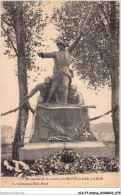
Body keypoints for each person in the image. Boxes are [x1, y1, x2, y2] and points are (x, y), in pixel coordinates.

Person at [38, 32, 82, 105]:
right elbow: (48, 54)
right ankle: (48, 100)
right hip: (57, 73)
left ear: (63, 45)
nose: (59, 46)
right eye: (58, 45)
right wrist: (42, 54)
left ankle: (65, 102)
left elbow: (74, 44)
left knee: (65, 86)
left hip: (66, 72)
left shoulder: (68, 51)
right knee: (53, 87)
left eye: (60, 44)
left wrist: (78, 38)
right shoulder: (56, 53)